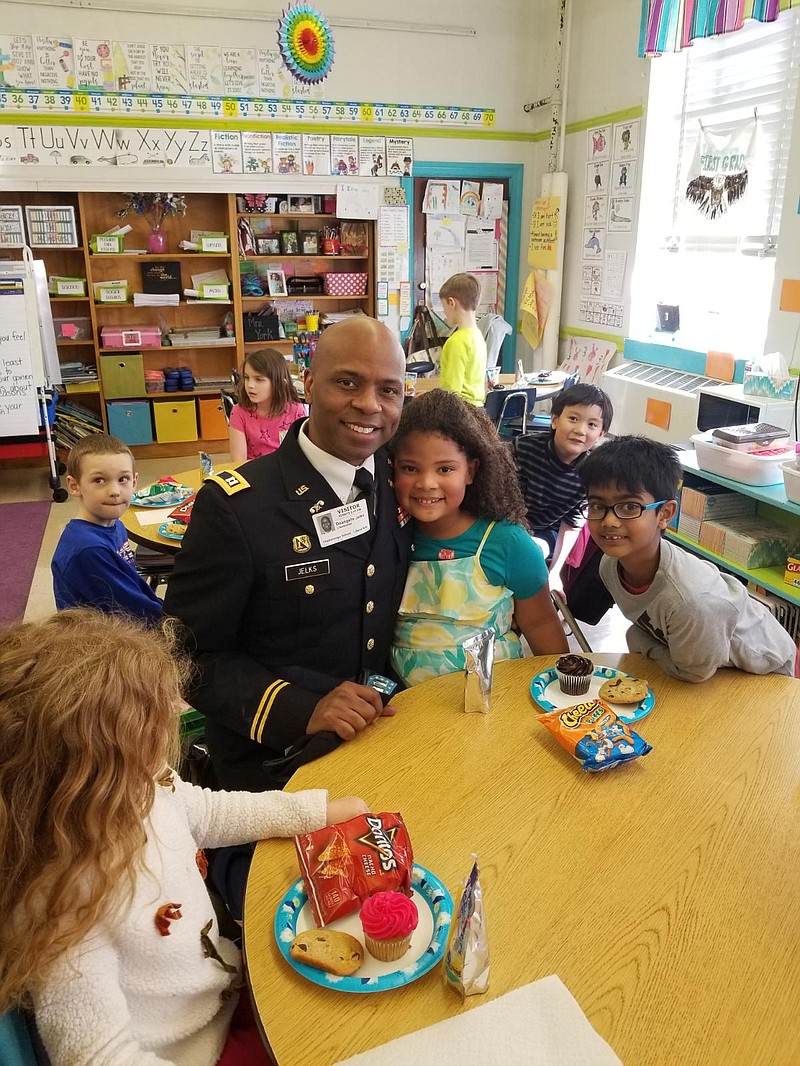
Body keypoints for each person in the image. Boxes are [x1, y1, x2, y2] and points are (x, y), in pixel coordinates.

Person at [0, 609, 366, 1066]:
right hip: (197, 1050)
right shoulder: (63, 909)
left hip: (223, 989)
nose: (169, 734)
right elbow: (97, 1056)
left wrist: (318, 811)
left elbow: (211, 811)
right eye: (149, 734)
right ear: (89, 774)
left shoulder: (141, 786)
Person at [165, 317, 412, 792]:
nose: (369, 405)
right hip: (277, 763)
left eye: (389, 390)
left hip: (382, 738)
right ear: (309, 382)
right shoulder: (237, 507)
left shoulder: (397, 478)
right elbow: (186, 656)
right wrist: (302, 709)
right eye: (348, 382)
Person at [579, 435, 796, 682]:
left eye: (629, 507)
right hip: (702, 657)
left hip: (765, 674)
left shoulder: (691, 601)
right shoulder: (610, 564)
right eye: (597, 506)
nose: (609, 521)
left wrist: (637, 639)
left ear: (665, 514)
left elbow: (694, 673)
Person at [390, 389, 568, 686]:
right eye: (410, 468)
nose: (426, 483)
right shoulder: (386, 539)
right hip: (405, 709)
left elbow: (540, 624)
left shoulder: (509, 544)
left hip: (495, 701)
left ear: (470, 471)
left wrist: (564, 693)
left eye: (445, 469)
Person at [51, 433, 161, 623]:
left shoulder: (115, 525)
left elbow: (132, 586)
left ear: (134, 482)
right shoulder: (89, 549)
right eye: (99, 480)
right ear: (75, 485)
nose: (115, 491)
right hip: (106, 643)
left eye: (123, 479)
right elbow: (136, 614)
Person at [512, 382, 613, 589]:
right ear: (555, 420)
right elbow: (505, 502)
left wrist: (555, 573)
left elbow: (571, 525)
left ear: (602, 434)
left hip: (546, 532)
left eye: (592, 425)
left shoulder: (592, 473)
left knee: (533, 554)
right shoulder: (523, 449)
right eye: (573, 419)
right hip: (508, 523)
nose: (580, 430)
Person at [227, 348, 307, 463]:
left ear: (280, 383)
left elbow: (301, 457)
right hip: (253, 474)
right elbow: (238, 462)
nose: (250, 385)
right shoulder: (239, 412)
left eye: (258, 379)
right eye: (246, 377)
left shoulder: (296, 411)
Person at [437, 272, 487, 407]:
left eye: (444, 306)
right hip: (477, 408)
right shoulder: (478, 336)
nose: (445, 312)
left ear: (451, 303)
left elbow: (452, 393)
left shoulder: (456, 341)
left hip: (460, 411)